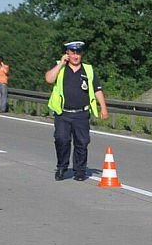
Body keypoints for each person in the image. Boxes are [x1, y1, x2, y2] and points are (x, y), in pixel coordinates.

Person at [44, 41, 108, 182]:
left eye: (78, 53)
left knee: (82, 142)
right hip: (63, 113)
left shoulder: (88, 70)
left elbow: (97, 89)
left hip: (81, 113)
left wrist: (103, 107)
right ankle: (62, 167)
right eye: (72, 52)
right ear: (67, 53)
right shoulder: (59, 67)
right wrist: (61, 63)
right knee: (62, 140)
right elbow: (49, 79)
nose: (75, 55)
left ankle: (80, 170)